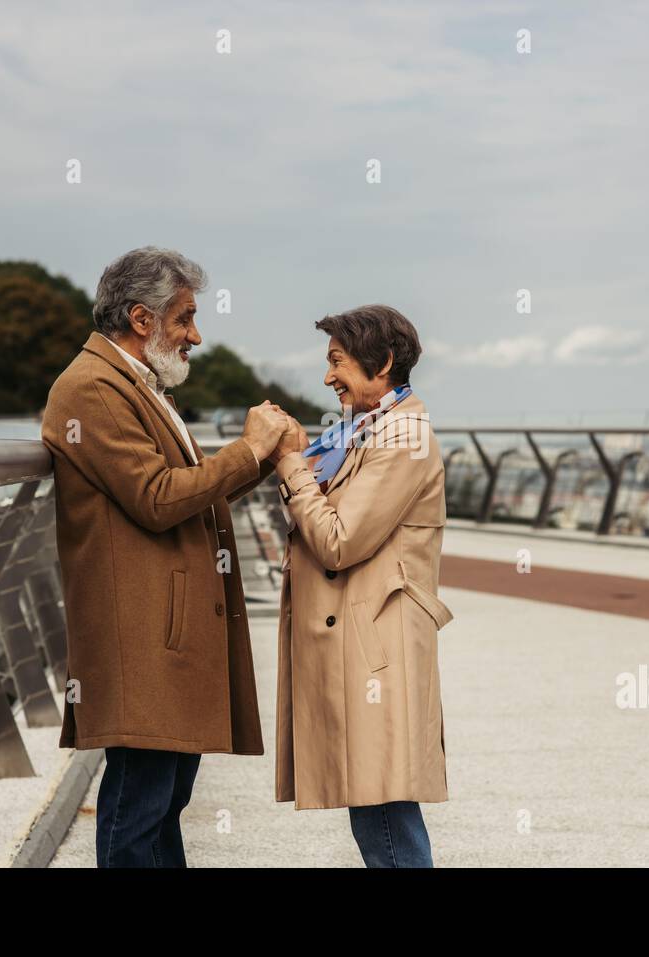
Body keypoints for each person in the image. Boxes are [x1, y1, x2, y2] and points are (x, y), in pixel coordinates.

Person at [40, 246, 283, 867]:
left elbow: (189, 487)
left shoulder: (133, 382)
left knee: (164, 800)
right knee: (140, 804)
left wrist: (262, 457)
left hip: (163, 629)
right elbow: (155, 497)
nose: (195, 336)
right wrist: (248, 450)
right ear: (142, 319)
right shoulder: (92, 387)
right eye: (185, 318)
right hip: (141, 634)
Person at [268, 304, 454, 868]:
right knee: (373, 804)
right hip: (363, 639)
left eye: (337, 362)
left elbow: (338, 542)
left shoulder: (404, 437)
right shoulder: (359, 431)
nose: (328, 377)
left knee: (383, 809)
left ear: (385, 362)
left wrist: (290, 465)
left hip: (376, 648)